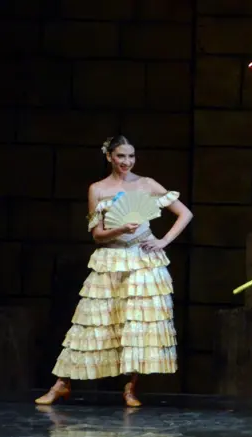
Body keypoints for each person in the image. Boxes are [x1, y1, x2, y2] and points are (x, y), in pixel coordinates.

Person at [36, 135, 193, 407]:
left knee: (137, 325)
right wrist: (120, 228)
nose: (127, 162)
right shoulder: (97, 189)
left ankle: (130, 388)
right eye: (121, 156)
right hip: (110, 258)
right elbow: (97, 235)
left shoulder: (146, 184)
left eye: (131, 156)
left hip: (143, 259)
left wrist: (163, 241)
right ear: (109, 157)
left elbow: (185, 213)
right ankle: (62, 384)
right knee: (91, 321)